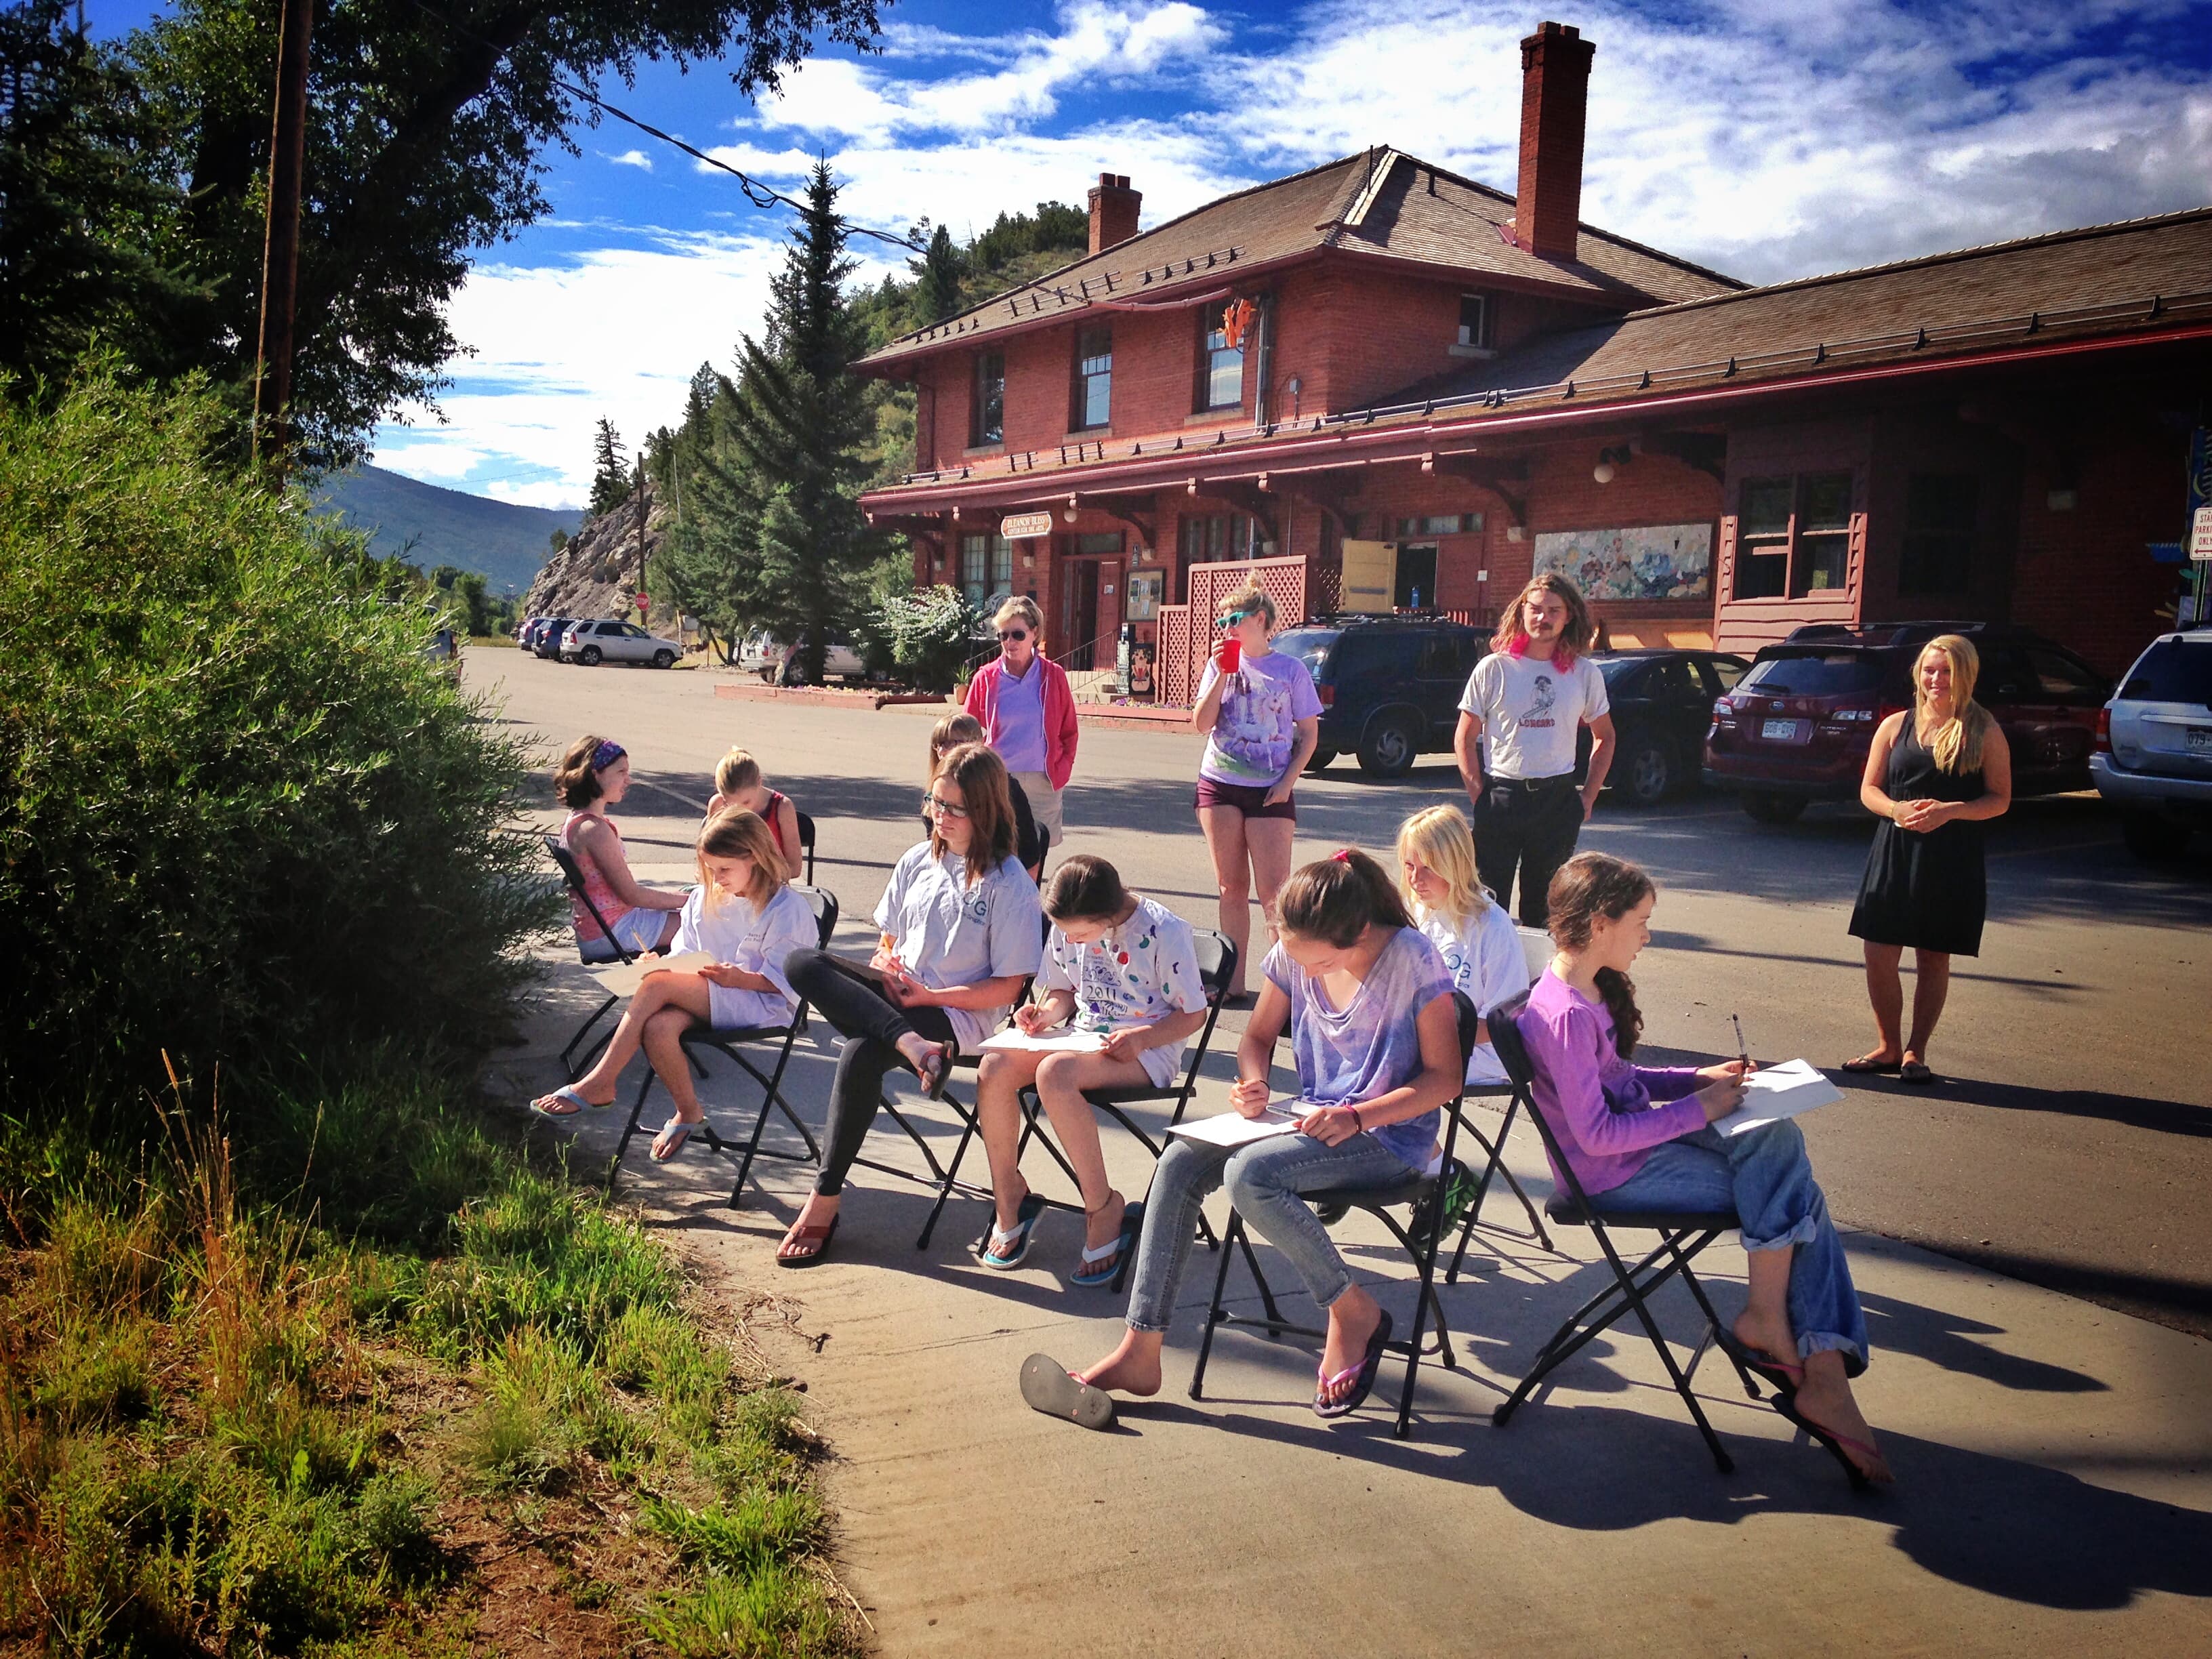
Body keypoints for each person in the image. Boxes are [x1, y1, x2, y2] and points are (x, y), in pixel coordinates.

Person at [1019, 850, 1461, 1431]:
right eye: (1297, 958)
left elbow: (1446, 1078)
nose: (1306, 970)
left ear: (1355, 936)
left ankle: (1352, 1311)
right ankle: (1141, 1349)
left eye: (1320, 961)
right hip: (1307, 1119)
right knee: (1178, 1162)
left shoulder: (1412, 959)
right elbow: (1255, 1040)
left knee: (1250, 1175)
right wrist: (1252, 1083)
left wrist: (1360, 1115)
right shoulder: (1294, 951)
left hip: (1388, 1137)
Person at [1519, 851, 1891, 1487]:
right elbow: (1597, 1134)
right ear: (1601, 923)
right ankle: (1805, 1355)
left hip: (1637, 1151)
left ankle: (1789, 1340)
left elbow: (1621, 1080)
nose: (1648, 934)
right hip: (1612, 1174)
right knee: (1797, 1192)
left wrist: (1697, 1079)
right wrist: (1699, 1109)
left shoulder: (1579, 992)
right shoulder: (1563, 1015)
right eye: (1640, 921)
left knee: (1775, 1145)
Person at [778, 743, 1044, 1267]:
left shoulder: (1010, 883)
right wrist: (889, 966)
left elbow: (1009, 989)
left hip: (956, 1016)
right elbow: (888, 941)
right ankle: (910, 1044)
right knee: (801, 963)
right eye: (934, 802)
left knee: (860, 1052)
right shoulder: (917, 859)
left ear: (985, 811)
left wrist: (928, 996)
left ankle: (824, 1201)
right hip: (904, 1002)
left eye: (951, 808)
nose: (937, 816)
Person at [972, 856, 1210, 1285]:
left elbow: (1193, 1015)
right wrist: (1045, 1014)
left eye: (1080, 933)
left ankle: (1102, 1208)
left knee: (1054, 1075)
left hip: (1146, 1049)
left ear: (1109, 914)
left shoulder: (1163, 931)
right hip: (1082, 1037)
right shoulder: (1070, 928)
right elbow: (1063, 990)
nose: (1072, 940)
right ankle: (1009, 1194)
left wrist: (1141, 1038)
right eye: (1065, 933)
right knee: (994, 1066)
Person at [531, 808, 815, 1160]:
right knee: (658, 1025)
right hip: (708, 992)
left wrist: (737, 978)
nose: (717, 878)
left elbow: (793, 983)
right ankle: (688, 1112)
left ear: (755, 858)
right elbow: (687, 953)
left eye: (724, 869)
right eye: (711, 869)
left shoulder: (787, 908)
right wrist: (661, 963)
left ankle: (601, 1082)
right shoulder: (704, 897)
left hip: (758, 1001)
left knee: (656, 986)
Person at [1845, 634, 2012, 1085]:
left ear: (1966, 675)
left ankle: (1915, 1052)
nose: (1936, 679)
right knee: (1878, 950)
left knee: (1933, 956)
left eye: (1947, 671)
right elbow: (1869, 790)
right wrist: (1896, 810)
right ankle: (1887, 1046)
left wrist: (1952, 811)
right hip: (1895, 849)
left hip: (1950, 855)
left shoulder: (1984, 729)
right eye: (1929, 670)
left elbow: (2000, 799)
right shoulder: (1895, 725)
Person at [1452, 573, 1616, 926]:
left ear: (1569, 615)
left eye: (1554, 610)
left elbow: (1605, 736)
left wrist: (1587, 797)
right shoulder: (1494, 668)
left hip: (1557, 802)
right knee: (1486, 908)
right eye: (1536, 609)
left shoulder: (1584, 673)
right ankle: (1487, 981)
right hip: (1501, 799)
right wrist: (1479, 794)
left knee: (1545, 915)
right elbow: (1464, 737)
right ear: (1521, 612)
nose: (1544, 618)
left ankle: (1538, 982)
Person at [1191, 583, 1322, 1002]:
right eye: (1221, 620)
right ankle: (1230, 983)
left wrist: (1287, 782)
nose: (1225, 628)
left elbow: (1309, 733)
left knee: (1275, 896)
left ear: (1260, 620)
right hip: (1220, 783)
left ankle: (1282, 994)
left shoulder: (1290, 670)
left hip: (1270, 789)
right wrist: (1221, 676)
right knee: (1231, 888)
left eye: (1234, 620)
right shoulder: (1221, 665)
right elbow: (1201, 724)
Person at [1397, 804, 1530, 1087]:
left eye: (1428, 869)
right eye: (1410, 866)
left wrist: (1427, 1036)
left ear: (1455, 866)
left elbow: (1501, 1024)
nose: (1415, 879)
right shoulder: (1413, 913)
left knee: (1387, 1075)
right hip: (1419, 1042)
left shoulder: (1492, 926)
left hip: (1480, 1053)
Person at [964, 596, 1078, 856]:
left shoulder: (1054, 676)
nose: (1010, 643)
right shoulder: (986, 678)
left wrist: (1063, 767)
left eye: (1017, 634)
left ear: (1034, 633)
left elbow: (1069, 731)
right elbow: (968, 731)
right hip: (998, 780)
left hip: (1043, 780)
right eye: (1003, 635)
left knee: (1036, 855)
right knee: (998, 854)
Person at [554, 735, 685, 961]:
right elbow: (632, 895)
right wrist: (692, 900)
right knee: (709, 924)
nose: (629, 780)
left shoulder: (577, 821)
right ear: (596, 773)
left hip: (604, 926)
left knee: (698, 909)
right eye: (621, 772)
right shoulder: (593, 830)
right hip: (612, 931)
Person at [926, 712, 1044, 878]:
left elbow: (1029, 853)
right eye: (938, 744)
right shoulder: (936, 792)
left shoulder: (1006, 788)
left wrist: (1021, 889)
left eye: (951, 743)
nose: (942, 751)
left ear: (975, 744)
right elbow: (937, 853)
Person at [706, 748, 804, 881]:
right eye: (731, 804)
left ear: (759, 782)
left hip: (769, 889)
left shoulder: (782, 807)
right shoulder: (718, 805)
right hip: (728, 888)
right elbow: (708, 858)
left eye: (746, 802)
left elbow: (794, 867)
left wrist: (752, 879)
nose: (740, 809)